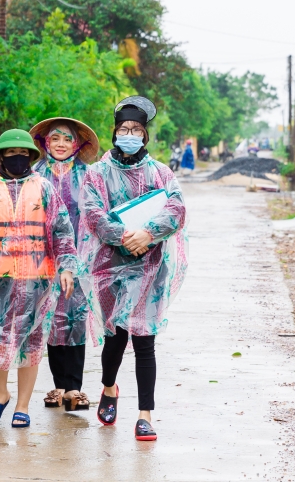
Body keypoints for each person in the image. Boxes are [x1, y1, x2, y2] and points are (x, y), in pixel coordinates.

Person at [0, 129, 78, 429]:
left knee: (31, 342)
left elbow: (62, 230)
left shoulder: (44, 187)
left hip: (37, 278)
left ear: (31, 157)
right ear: (0, 157)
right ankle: (1, 393)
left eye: (22, 154)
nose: (16, 159)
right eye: (9, 154)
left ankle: (22, 405)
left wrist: (67, 266)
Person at [80, 96, 188, 441]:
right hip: (108, 264)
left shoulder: (161, 172)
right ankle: (109, 388)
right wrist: (127, 237)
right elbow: (93, 213)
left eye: (136, 129)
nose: (130, 134)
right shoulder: (97, 173)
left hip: (151, 266)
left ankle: (145, 416)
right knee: (116, 336)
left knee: (145, 340)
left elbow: (176, 209)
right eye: (125, 129)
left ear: (145, 135)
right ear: (114, 133)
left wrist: (149, 234)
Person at [30, 117, 100, 411]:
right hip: (41, 259)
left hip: (80, 259)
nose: (60, 144)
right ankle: (58, 385)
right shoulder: (33, 175)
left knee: (75, 319)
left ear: (77, 144)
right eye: (54, 139)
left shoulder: (90, 176)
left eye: (66, 139)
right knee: (51, 320)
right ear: (45, 143)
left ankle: (74, 388)